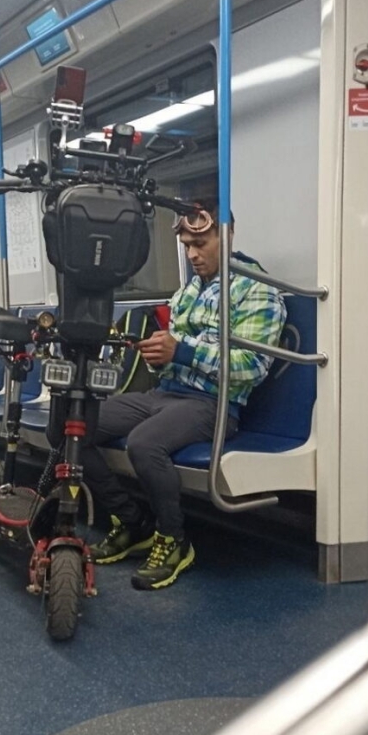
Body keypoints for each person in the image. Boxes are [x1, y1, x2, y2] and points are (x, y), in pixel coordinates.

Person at [65, 199, 286, 591]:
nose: (192, 254)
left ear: (228, 235)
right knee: (72, 423)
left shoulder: (258, 290)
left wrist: (181, 350)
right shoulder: (189, 291)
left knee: (144, 443)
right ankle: (132, 521)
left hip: (214, 404)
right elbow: (167, 360)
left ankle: (174, 539)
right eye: (186, 245)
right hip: (165, 394)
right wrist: (156, 356)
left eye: (200, 243)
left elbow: (252, 366)